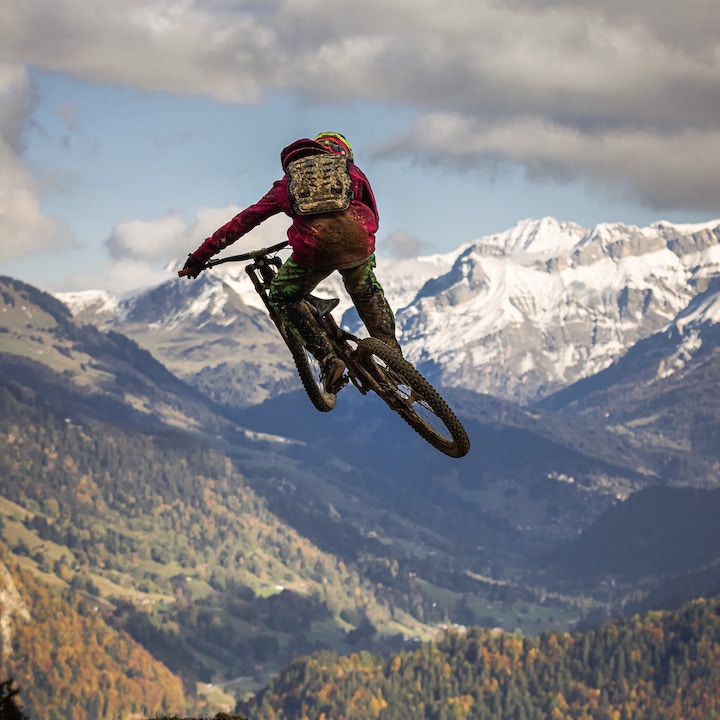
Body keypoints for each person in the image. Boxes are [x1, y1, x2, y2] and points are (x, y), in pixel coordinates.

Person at [181, 131, 401, 393]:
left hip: (314, 249)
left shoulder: (289, 182)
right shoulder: (351, 172)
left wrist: (199, 257)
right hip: (359, 240)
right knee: (367, 292)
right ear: (343, 153)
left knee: (282, 297)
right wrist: (364, 238)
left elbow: (242, 222)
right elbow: (373, 212)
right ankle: (395, 361)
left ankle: (329, 360)